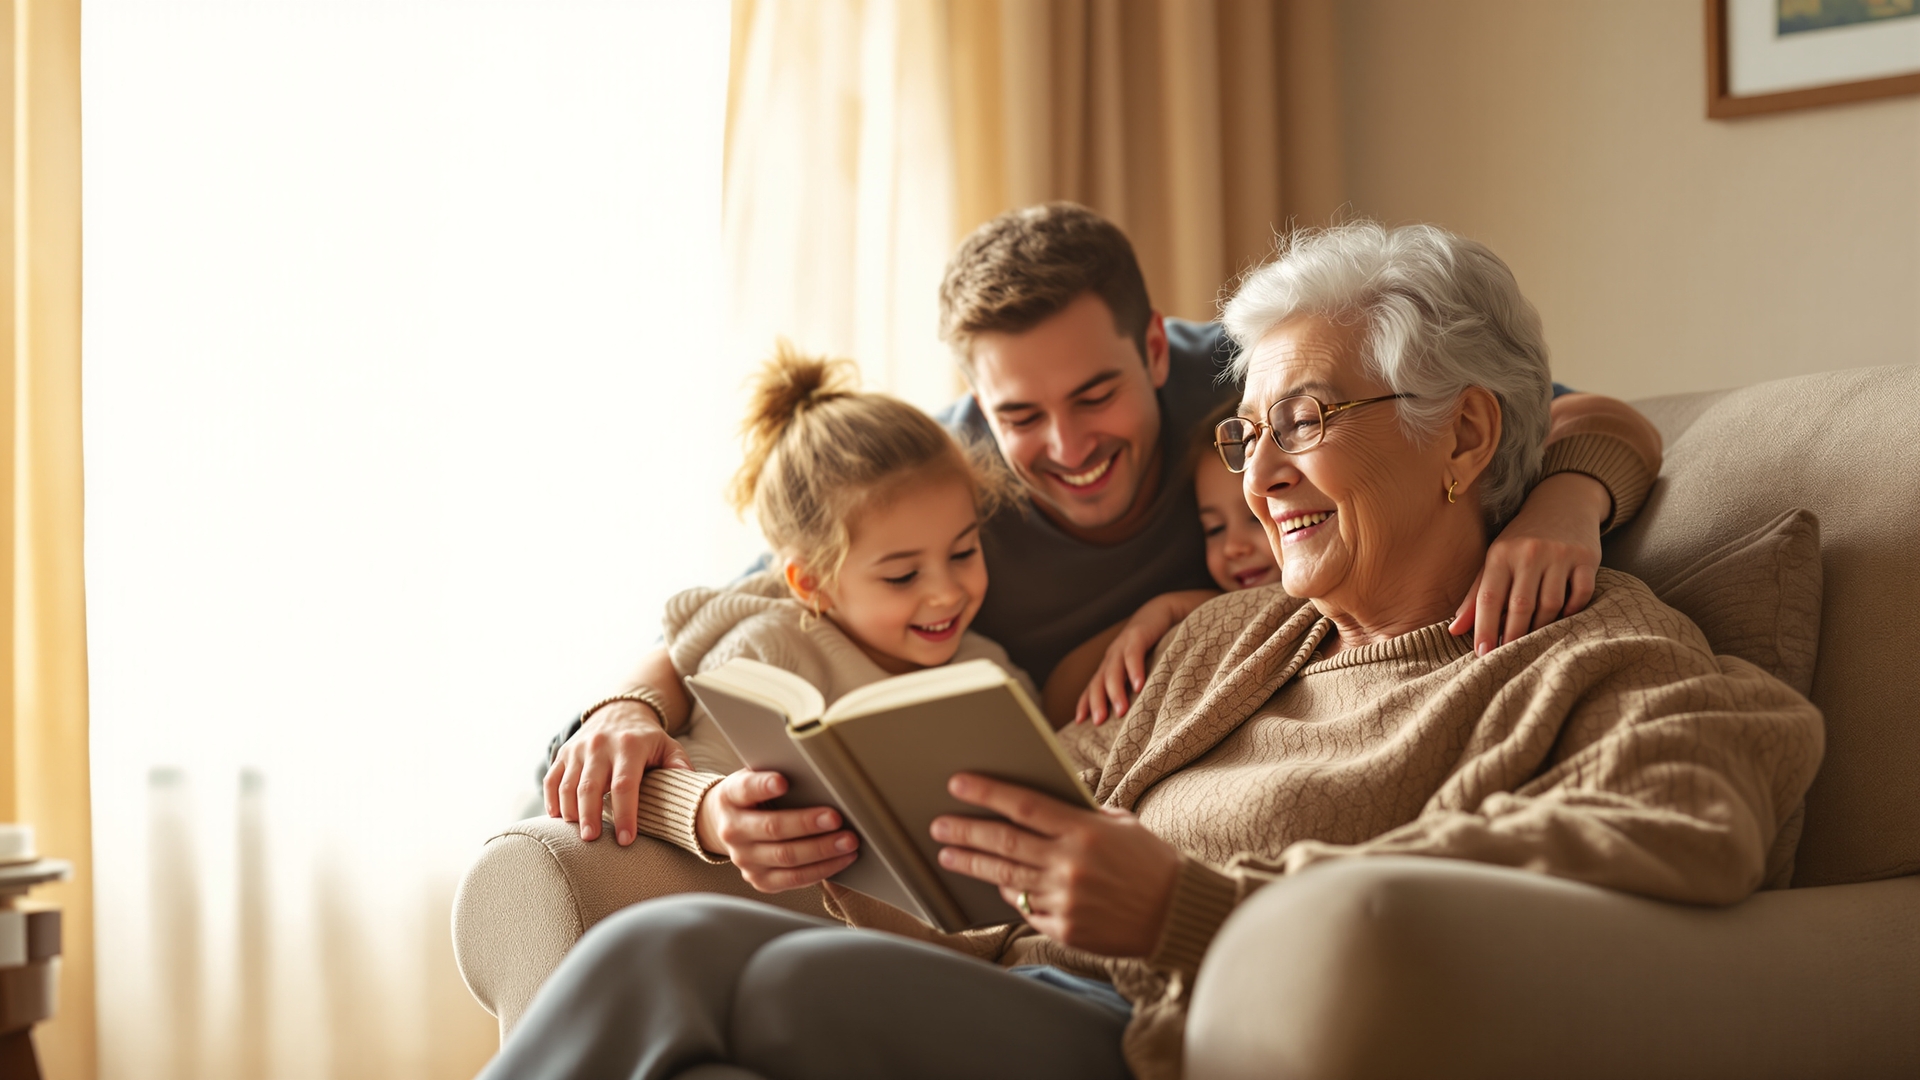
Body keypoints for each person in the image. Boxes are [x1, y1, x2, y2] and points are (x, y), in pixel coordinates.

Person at [483, 222, 1822, 1080]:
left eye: (1302, 421)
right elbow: (1036, 785)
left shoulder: (1593, 656)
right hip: (1029, 984)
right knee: (710, 972)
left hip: (1152, 1037)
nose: (1260, 477)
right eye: (1246, 435)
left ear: (1466, 439)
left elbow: (1696, 817)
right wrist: (751, 801)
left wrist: (1188, 909)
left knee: (692, 968)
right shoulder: (1228, 640)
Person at [541, 204, 1668, 862]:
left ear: (1154, 348)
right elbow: (751, 606)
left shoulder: (1245, 398)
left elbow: (1535, 413)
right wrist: (629, 712)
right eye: (1018, 414)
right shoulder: (948, 484)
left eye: (1094, 397)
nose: (1066, 446)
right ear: (975, 405)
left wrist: (1569, 499)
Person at [615, 346, 1033, 887]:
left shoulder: (986, 666)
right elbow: (648, 782)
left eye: (963, 552)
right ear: (810, 582)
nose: (947, 593)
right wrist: (712, 812)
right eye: (902, 576)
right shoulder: (767, 650)